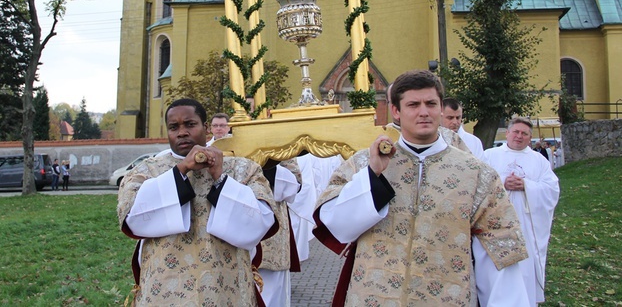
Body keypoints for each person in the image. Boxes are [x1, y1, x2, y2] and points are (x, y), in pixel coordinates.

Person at [313, 69, 530, 306]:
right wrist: (371, 176)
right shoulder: (364, 163)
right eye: (413, 104)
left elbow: (498, 252)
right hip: (374, 296)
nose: (424, 112)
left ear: (440, 108)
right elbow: (335, 224)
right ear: (396, 111)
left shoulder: (476, 173)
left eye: (431, 103)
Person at [117, 98, 278, 306]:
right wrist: (181, 170)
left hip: (226, 287)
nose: (181, 132)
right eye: (173, 127)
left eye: (190, 124)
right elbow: (131, 218)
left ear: (206, 127)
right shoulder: (145, 172)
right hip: (165, 289)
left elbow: (261, 221)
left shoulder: (243, 169)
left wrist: (220, 178)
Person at [482, 117, 560, 306]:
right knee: (495, 271)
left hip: (526, 224)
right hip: (495, 224)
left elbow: (552, 190)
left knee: (524, 268)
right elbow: (477, 183)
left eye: (524, 134)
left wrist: (526, 185)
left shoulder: (539, 160)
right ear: (507, 133)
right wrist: (502, 181)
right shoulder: (489, 156)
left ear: (530, 137)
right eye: (515, 132)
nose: (519, 136)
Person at [259, 159, 302, 307]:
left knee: (271, 297)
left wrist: (269, 165)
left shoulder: (282, 147)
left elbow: (296, 184)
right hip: (233, 233)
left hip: (272, 239)